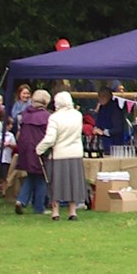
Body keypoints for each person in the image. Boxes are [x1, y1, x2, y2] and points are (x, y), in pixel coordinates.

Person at [37, 90, 87, 220]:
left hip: (59, 154)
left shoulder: (54, 117)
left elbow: (50, 139)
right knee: (73, 183)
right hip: (75, 153)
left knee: (55, 183)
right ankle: (72, 211)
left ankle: (56, 212)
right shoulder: (78, 115)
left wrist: (39, 149)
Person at [14, 90, 51, 216]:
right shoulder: (46, 116)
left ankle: (21, 200)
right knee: (41, 177)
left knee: (31, 176)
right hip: (38, 149)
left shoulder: (25, 114)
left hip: (25, 149)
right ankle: (39, 207)